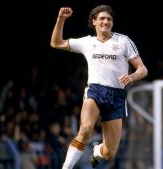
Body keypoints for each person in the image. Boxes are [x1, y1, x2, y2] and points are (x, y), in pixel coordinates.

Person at [50, 4, 148, 169]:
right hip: (95, 91)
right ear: (94, 22)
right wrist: (61, 19)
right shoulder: (87, 42)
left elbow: (143, 69)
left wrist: (132, 76)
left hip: (117, 96)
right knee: (86, 128)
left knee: (110, 153)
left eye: (109, 19)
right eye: (102, 18)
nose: (106, 21)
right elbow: (56, 43)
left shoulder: (123, 41)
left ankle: (97, 151)